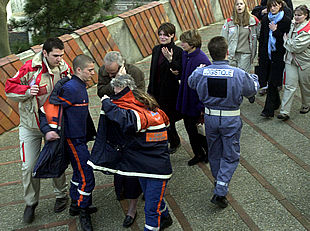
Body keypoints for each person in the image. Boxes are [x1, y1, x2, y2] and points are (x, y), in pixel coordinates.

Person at [89, 74, 173, 230]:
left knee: (151, 209)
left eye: (115, 89)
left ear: (123, 88)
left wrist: (107, 103)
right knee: (151, 197)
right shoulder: (142, 104)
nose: (114, 92)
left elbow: (126, 120)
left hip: (157, 169)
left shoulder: (143, 113)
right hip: (144, 163)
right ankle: (166, 217)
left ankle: (153, 226)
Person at [5, 38, 71, 224]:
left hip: (53, 124)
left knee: (55, 159)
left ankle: (61, 195)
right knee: (29, 166)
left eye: (61, 55)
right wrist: (27, 91)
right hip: (30, 126)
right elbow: (9, 89)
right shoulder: (29, 68)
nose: (59, 59)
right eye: (55, 56)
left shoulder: (64, 68)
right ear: (45, 53)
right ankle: (31, 203)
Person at [188, 36, 259, 208]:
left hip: (210, 118)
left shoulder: (200, 72)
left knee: (214, 151)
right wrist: (254, 79)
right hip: (230, 118)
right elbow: (252, 89)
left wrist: (199, 70)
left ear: (210, 54)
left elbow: (191, 83)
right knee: (231, 154)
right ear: (227, 52)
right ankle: (221, 188)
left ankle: (218, 179)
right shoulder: (238, 73)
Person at [40, 54, 97, 231]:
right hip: (73, 140)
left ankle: (75, 205)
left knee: (79, 174)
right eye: (90, 70)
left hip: (79, 138)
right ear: (78, 70)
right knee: (87, 175)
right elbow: (47, 108)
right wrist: (48, 130)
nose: (93, 73)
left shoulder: (79, 85)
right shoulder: (72, 88)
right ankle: (83, 209)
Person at [97, 52, 145, 228]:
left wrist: (122, 80)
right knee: (118, 162)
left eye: (112, 72)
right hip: (114, 122)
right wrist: (113, 82)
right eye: (107, 73)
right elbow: (100, 91)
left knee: (132, 163)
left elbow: (140, 97)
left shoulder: (137, 73)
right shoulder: (105, 71)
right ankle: (122, 190)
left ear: (121, 64)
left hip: (131, 122)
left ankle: (133, 206)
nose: (108, 75)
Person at [175, 29, 211, 166]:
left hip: (195, 102)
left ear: (192, 43)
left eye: (184, 41)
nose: (182, 43)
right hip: (186, 99)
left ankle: (207, 152)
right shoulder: (186, 55)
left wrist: (202, 107)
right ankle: (198, 153)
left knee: (198, 131)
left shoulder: (202, 60)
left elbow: (205, 88)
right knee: (190, 130)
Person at [147, 22, 183, 154]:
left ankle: (174, 141)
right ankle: (168, 140)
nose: (162, 37)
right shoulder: (156, 49)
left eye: (165, 35)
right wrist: (150, 89)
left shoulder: (178, 51)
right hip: (156, 89)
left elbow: (178, 71)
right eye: (160, 35)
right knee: (159, 118)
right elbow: (152, 70)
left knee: (169, 119)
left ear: (172, 35)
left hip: (170, 91)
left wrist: (170, 59)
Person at [258, 0, 291, 118]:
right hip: (267, 55)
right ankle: (276, 102)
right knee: (270, 81)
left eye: (275, 6)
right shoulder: (266, 19)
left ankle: (268, 110)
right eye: (270, 6)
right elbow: (262, 38)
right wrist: (260, 55)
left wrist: (275, 31)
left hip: (279, 56)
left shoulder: (286, 20)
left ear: (280, 6)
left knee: (272, 82)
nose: (273, 8)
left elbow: (286, 41)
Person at [277, 5, 310, 120]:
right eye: (295, 14)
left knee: (305, 86)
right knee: (289, 86)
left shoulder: (308, 29)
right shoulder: (292, 23)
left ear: (306, 16)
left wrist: (286, 41)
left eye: (299, 15)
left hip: (304, 62)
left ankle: (306, 105)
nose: (296, 17)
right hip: (290, 60)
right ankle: (284, 111)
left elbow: (296, 47)